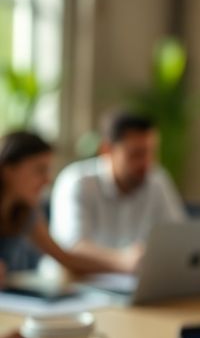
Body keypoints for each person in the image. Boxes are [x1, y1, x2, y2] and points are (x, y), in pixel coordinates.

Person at [50, 112, 185, 262]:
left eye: (151, 153)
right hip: (70, 283)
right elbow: (71, 248)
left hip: (130, 282)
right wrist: (124, 261)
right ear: (107, 150)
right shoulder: (76, 182)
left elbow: (178, 238)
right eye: (137, 154)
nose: (146, 163)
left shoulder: (157, 180)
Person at [1, 131, 134, 281]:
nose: (47, 180)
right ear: (8, 169)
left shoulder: (25, 212)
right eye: (39, 170)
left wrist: (123, 263)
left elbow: (65, 258)